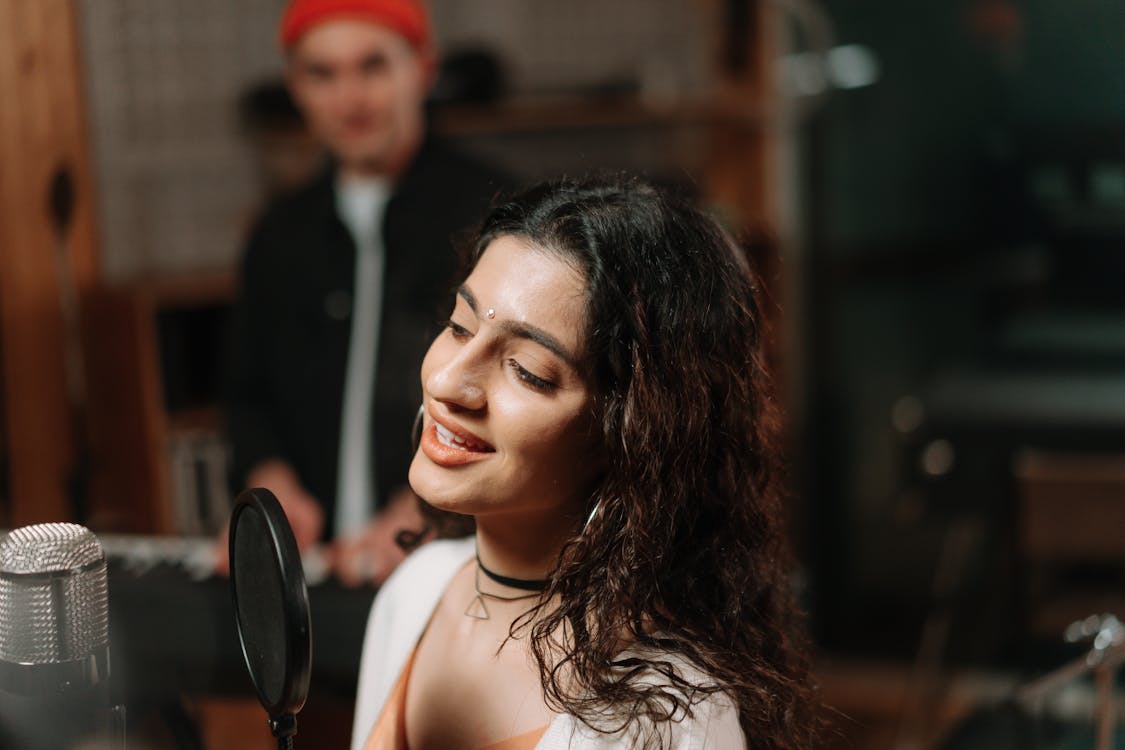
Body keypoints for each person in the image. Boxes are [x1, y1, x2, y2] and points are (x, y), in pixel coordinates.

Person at [350, 176, 820, 749]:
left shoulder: (668, 717)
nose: (449, 382)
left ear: (632, 435)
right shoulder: (413, 594)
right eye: (458, 327)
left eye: (527, 370)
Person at [222, 0, 511, 582]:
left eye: (372, 66)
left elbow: (522, 397)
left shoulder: (502, 215)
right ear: (295, 86)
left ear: (422, 68)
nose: (348, 99)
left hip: (462, 566)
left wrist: (433, 506)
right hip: (319, 573)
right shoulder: (278, 233)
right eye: (322, 74)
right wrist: (270, 481)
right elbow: (245, 394)